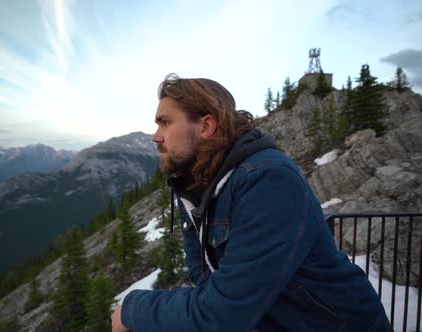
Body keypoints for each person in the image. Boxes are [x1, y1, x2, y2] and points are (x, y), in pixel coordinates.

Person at [111, 73, 390, 331]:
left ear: (206, 126)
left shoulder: (268, 180)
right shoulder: (199, 186)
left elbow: (222, 314)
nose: (155, 136)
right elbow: (204, 273)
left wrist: (132, 309)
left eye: (165, 122)